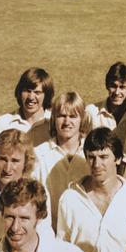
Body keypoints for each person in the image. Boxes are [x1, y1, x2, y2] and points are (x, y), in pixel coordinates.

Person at [57, 127, 126, 252]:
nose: (96, 164)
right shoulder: (69, 199)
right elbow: (61, 250)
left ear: (119, 159)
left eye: (103, 157)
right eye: (91, 157)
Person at [0, 178, 90, 252]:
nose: (15, 227)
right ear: (2, 214)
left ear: (39, 217)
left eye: (24, 218)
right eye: (9, 217)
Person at [34, 91, 91, 228]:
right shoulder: (39, 155)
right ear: (54, 119)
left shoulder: (92, 153)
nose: (67, 122)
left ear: (82, 119)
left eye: (73, 116)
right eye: (62, 116)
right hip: (50, 233)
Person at [0, 67, 54, 146]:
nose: (31, 97)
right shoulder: (3, 123)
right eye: (27, 91)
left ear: (46, 96)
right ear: (19, 92)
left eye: (37, 92)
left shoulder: (54, 123)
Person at [85, 62, 126, 144]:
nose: (117, 92)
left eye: (122, 87)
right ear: (107, 86)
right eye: (113, 86)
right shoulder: (91, 112)